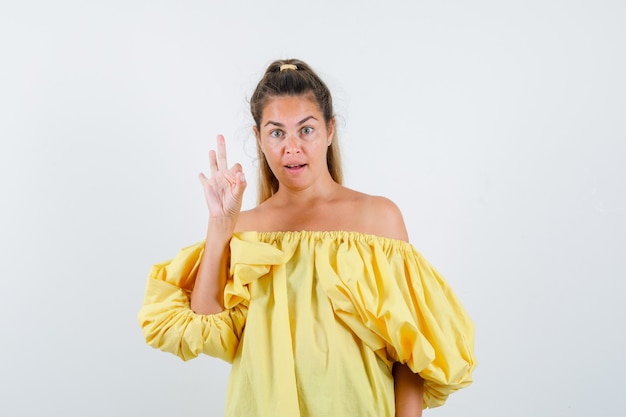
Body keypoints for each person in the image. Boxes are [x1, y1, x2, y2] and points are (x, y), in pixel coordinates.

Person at [138, 59, 476, 417]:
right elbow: (204, 328)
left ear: (330, 131)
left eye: (307, 130)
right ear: (258, 139)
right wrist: (220, 226)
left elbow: (412, 351)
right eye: (277, 132)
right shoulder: (245, 229)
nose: (292, 147)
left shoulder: (378, 219)